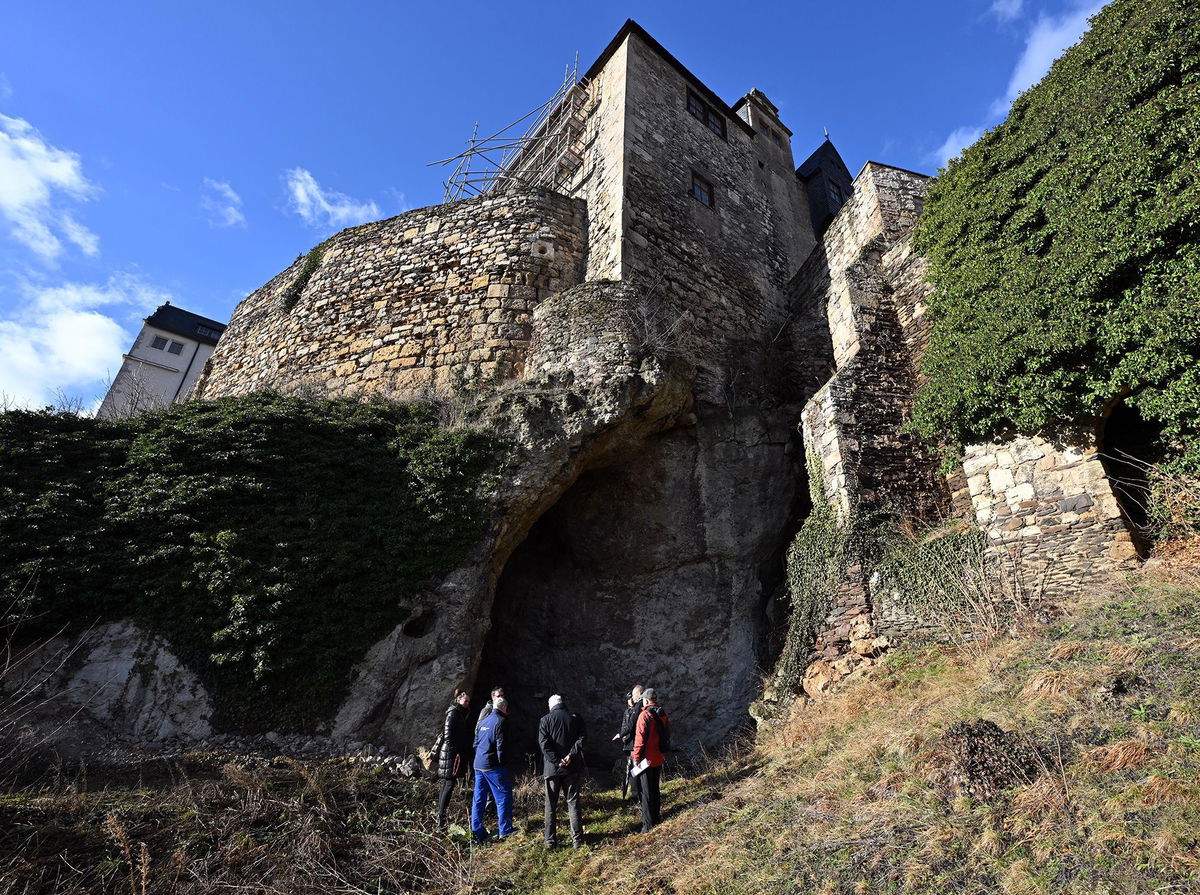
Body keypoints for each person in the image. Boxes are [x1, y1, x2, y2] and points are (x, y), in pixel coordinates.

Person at [538, 694, 587, 849]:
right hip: (571, 768)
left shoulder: (545, 720)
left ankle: (550, 841)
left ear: (551, 706)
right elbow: (582, 739)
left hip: (552, 770)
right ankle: (577, 841)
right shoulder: (575, 717)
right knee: (573, 803)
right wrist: (570, 756)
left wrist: (556, 760)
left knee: (551, 805)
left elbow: (543, 744)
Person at [471, 696, 514, 842]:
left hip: (478, 764)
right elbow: (501, 746)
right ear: (504, 707)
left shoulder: (484, 720)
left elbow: (475, 743)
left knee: (479, 798)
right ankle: (505, 830)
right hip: (492, 766)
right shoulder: (501, 722)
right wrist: (502, 763)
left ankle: (477, 832)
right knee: (503, 796)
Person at [631, 687, 670, 833]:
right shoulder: (662, 713)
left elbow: (639, 739)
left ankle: (648, 825)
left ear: (645, 700)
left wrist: (636, 758)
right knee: (655, 789)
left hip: (645, 760)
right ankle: (657, 817)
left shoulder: (644, 715)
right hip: (658, 757)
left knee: (646, 792)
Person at [434, 688, 472, 829]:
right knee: (448, 784)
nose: (467, 703)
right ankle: (441, 819)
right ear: (458, 699)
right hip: (451, 753)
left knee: (446, 784)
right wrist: (456, 751)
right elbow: (448, 735)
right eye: (465, 701)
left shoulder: (459, 713)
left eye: (468, 701)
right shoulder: (453, 713)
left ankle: (441, 817)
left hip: (452, 753)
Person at [614, 684, 645, 801]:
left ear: (638, 694)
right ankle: (636, 792)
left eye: (633, 695)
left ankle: (635, 793)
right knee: (632, 768)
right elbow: (626, 723)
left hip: (634, 743)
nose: (632, 697)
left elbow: (632, 724)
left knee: (635, 768)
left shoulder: (639, 707)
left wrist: (620, 734)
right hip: (631, 743)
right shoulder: (632, 709)